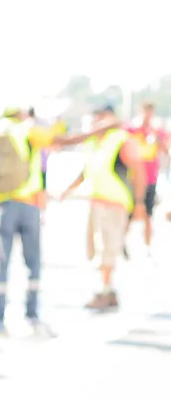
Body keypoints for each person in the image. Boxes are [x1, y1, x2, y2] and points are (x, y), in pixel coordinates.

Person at [58, 104, 142, 312]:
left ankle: (105, 291)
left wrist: (139, 203)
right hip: (98, 202)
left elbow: (138, 170)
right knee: (97, 250)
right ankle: (108, 291)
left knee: (107, 251)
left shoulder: (121, 139)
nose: (97, 121)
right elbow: (87, 171)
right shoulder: (96, 142)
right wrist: (67, 191)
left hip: (113, 204)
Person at [0, 107, 49, 337]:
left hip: (3, 205)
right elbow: (59, 144)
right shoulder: (31, 131)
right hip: (29, 205)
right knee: (33, 264)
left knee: (2, 263)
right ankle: (32, 316)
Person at [126, 101, 162, 249]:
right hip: (134, 178)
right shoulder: (132, 130)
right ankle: (122, 244)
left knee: (148, 215)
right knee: (129, 214)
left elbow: (164, 148)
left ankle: (147, 248)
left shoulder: (155, 131)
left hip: (151, 178)